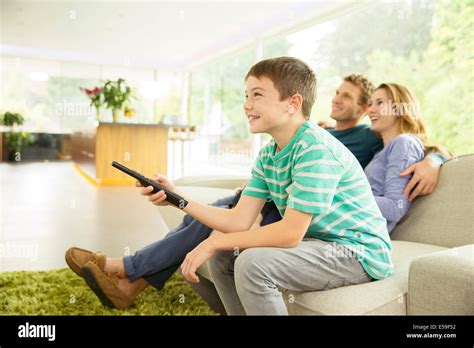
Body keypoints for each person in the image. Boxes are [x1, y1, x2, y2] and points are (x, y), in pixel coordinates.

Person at [64, 74, 444, 310]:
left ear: (293, 103)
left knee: (249, 260)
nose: (246, 105)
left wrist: (212, 243)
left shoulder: (323, 145)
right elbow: (238, 220)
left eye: (257, 95)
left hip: (357, 248)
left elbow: (292, 232)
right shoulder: (271, 153)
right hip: (319, 233)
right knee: (231, 250)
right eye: (247, 95)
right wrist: (178, 197)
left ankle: (131, 273)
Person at [364, 82, 451, 232]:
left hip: (362, 236)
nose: (370, 110)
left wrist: (343, 198)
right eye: (371, 104)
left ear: (400, 108)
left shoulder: (404, 143)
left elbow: (394, 207)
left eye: (379, 103)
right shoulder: (383, 151)